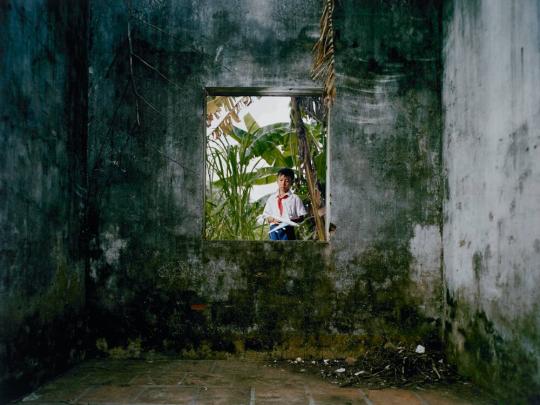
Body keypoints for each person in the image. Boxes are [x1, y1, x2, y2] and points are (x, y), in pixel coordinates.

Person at [262, 168, 307, 240]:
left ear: (291, 182)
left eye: (287, 181)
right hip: (274, 229)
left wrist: (288, 220)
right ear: (277, 181)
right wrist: (272, 219)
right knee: (275, 249)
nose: (283, 183)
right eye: (281, 180)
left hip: (288, 229)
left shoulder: (295, 199)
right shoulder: (271, 199)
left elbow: (302, 217)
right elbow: (266, 216)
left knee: (288, 249)